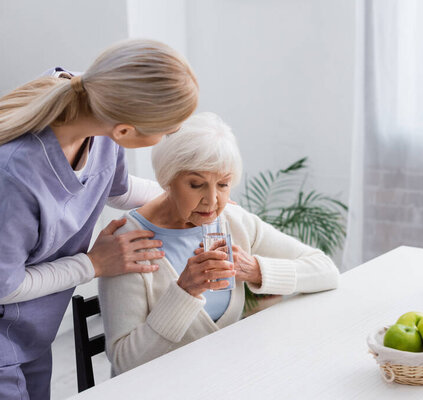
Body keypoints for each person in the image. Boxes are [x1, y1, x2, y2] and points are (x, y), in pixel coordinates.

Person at [0, 39, 198, 399]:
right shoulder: (6, 174)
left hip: (28, 328)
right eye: (168, 130)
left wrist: (202, 201)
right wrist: (93, 264)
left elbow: (113, 187)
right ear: (125, 130)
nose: (171, 136)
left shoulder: (94, 103)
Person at [98, 112, 340, 376]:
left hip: (225, 378)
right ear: (167, 179)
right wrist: (184, 291)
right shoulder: (127, 243)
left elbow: (325, 270)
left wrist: (256, 270)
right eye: (196, 184)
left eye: (223, 184)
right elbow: (124, 362)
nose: (212, 201)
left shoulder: (233, 222)